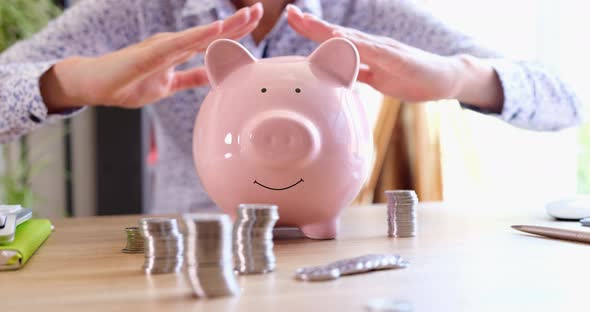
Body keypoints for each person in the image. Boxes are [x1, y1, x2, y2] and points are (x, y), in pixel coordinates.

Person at [0, 0, 582, 213]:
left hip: (330, 241)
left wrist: (458, 77)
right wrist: (68, 83)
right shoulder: (135, 13)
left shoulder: (364, 13)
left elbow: (567, 98)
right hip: (197, 238)